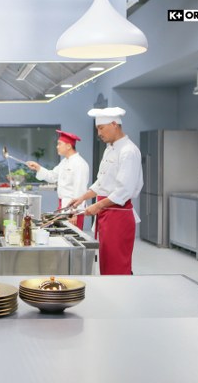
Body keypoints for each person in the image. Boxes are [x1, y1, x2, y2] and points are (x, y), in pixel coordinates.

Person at [68, 107, 143, 275]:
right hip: (107, 213)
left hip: (118, 215)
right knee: (106, 263)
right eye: (97, 129)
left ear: (114, 124)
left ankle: (120, 291)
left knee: (117, 267)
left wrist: (97, 206)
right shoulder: (110, 149)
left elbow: (123, 190)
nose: (99, 133)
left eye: (101, 128)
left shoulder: (128, 151)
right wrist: (82, 197)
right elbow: (102, 183)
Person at [26, 130, 89, 230]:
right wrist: (38, 168)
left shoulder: (80, 164)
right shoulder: (64, 162)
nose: (57, 146)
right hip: (63, 206)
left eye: (59, 144)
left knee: (72, 236)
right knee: (63, 234)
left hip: (73, 210)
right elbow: (52, 176)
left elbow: (80, 190)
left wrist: (74, 213)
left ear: (68, 146)